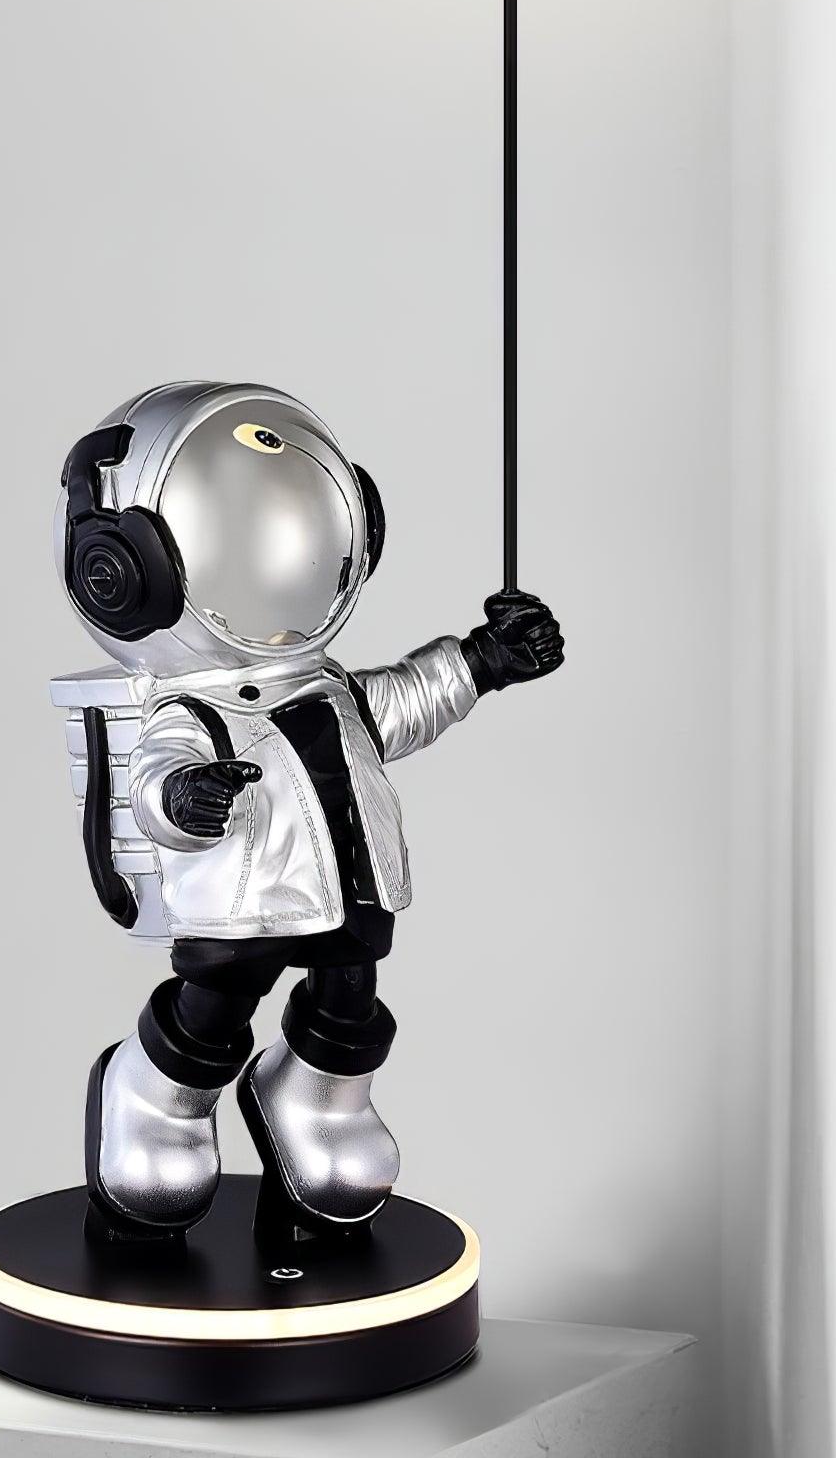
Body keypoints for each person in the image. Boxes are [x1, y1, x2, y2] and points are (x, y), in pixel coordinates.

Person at [54, 381, 563, 1243]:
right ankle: (157, 1098)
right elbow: (155, 774)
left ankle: (319, 1102)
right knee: (217, 1003)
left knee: (350, 996)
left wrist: (484, 661)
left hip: (353, 886)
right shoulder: (191, 705)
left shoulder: (329, 688)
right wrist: (185, 798)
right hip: (242, 897)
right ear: (124, 574)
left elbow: (404, 701)